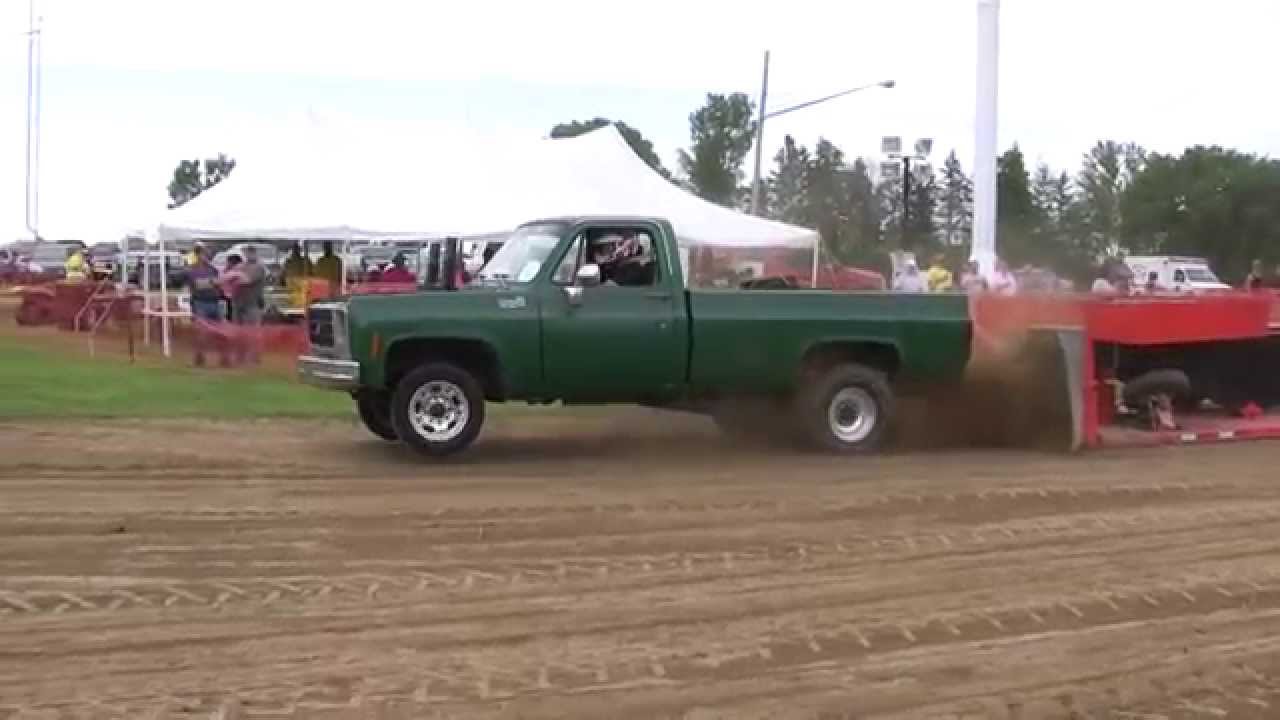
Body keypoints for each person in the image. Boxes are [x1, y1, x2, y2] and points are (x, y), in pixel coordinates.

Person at [184, 246, 228, 367]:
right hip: (200, 303)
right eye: (203, 253)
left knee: (221, 332)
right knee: (201, 333)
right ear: (198, 255)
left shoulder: (213, 269)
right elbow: (199, 285)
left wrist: (213, 283)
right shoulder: (192, 270)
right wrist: (213, 282)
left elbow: (219, 284)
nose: (206, 256)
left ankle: (224, 358)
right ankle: (199, 358)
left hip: (215, 302)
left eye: (207, 253)